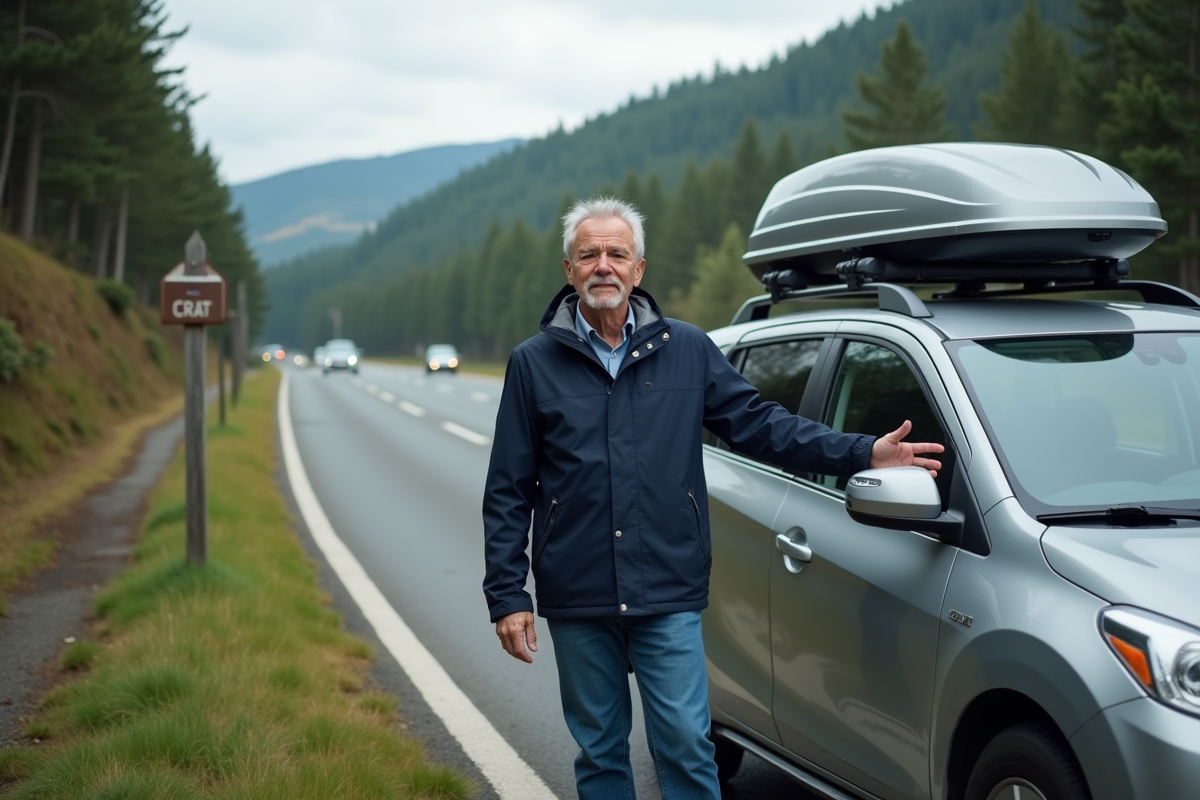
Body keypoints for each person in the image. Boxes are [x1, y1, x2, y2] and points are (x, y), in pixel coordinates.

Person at [482, 197, 944, 800]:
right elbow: (508, 489)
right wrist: (507, 594)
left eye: (616, 254)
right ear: (568, 269)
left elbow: (763, 425)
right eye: (588, 254)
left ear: (638, 269)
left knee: (685, 744)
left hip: (667, 584)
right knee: (599, 750)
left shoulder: (689, 349)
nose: (603, 266)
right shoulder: (532, 364)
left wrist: (863, 453)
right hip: (578, 587)